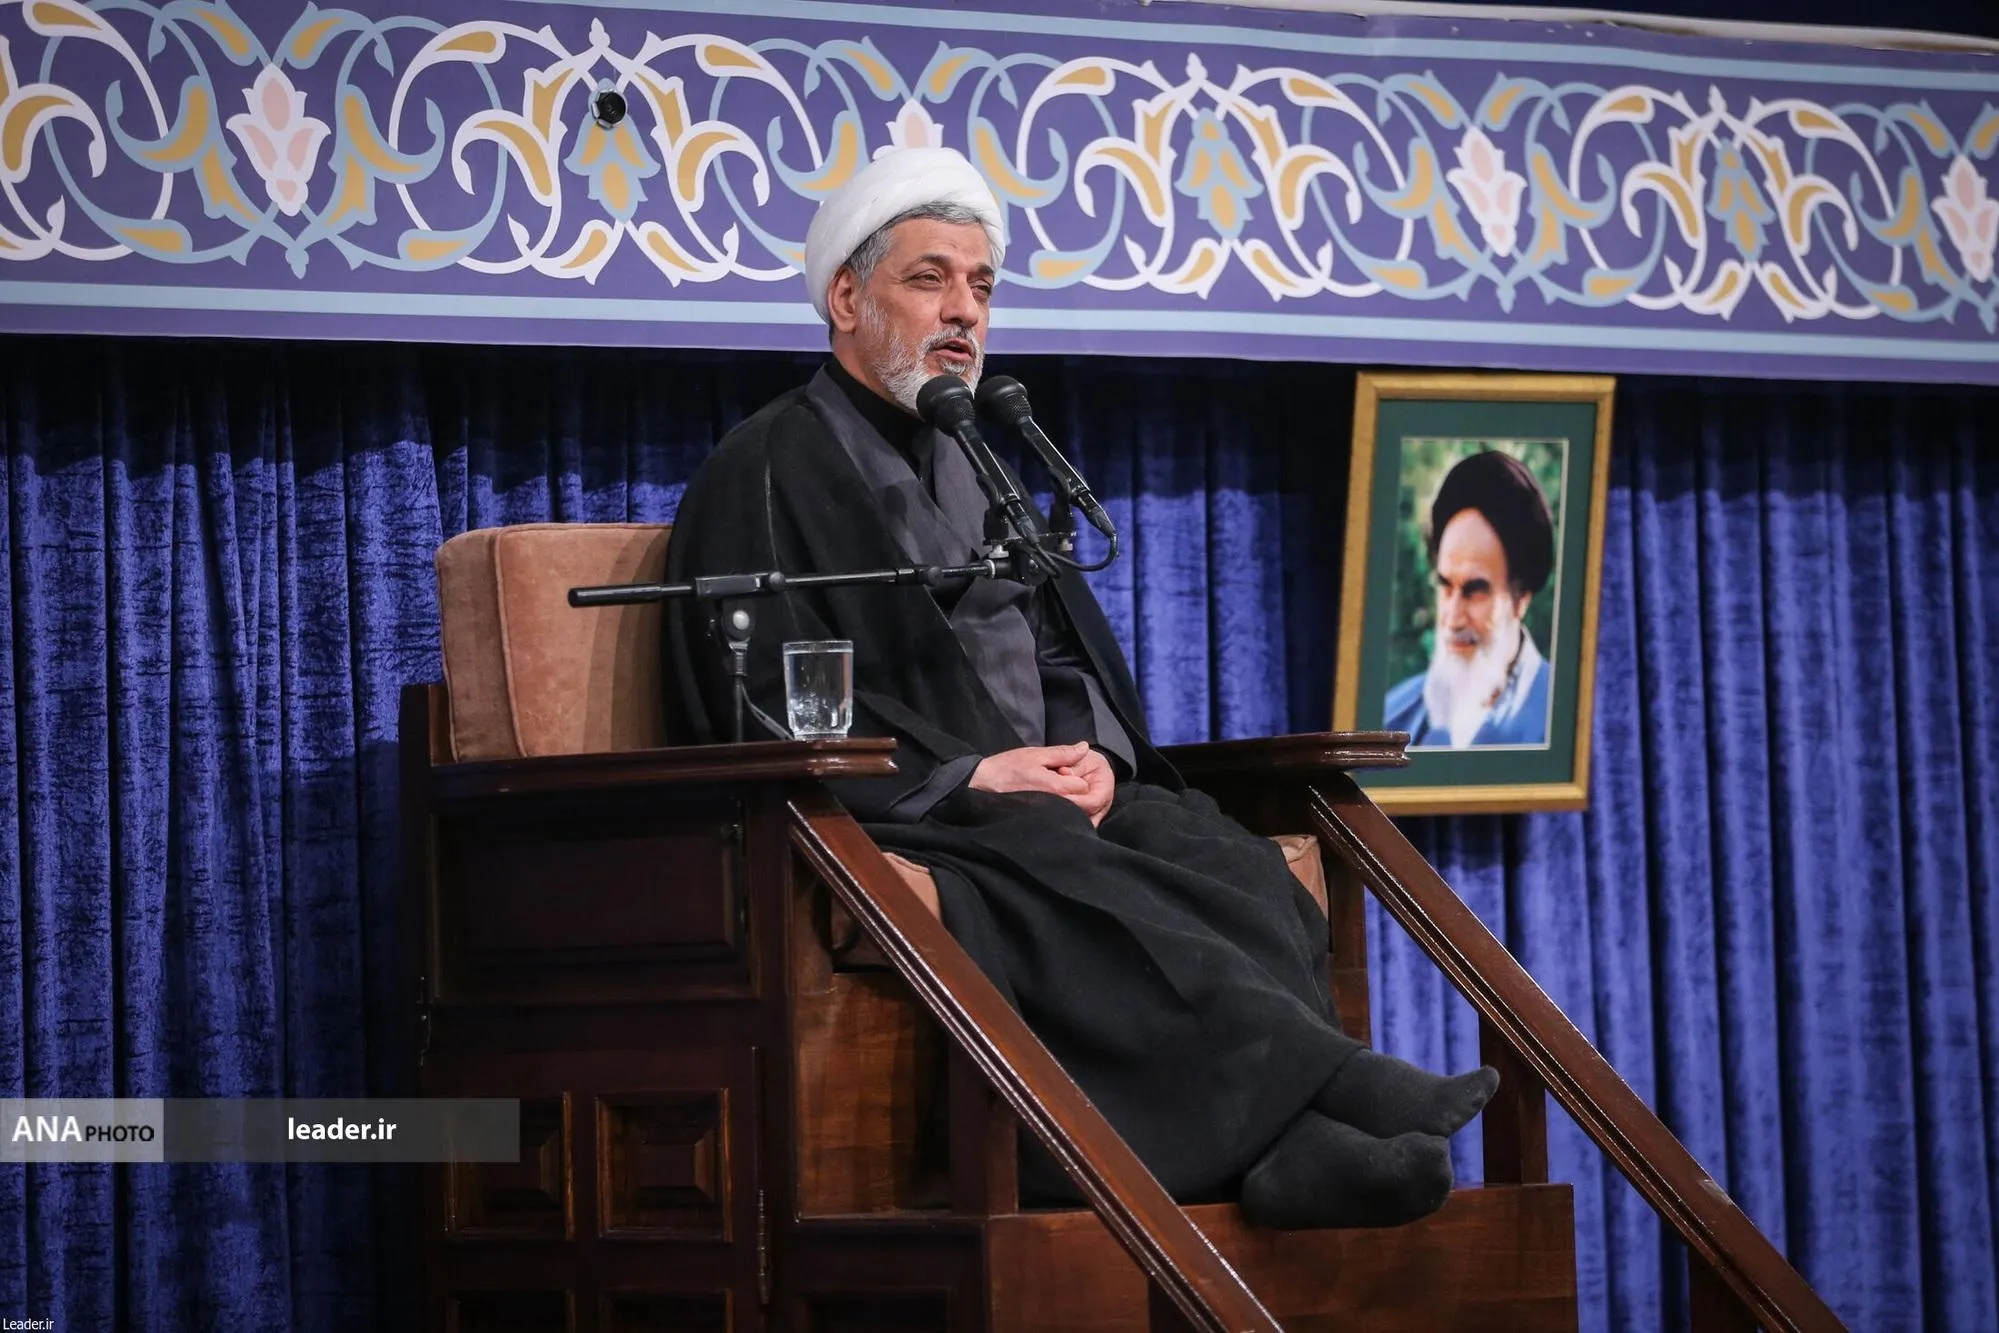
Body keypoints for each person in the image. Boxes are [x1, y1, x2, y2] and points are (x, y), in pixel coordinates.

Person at [663, 146, 1495, 1229]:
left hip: (1039, 786)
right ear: (846, 299)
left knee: (1218, 852)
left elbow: (1060, 649)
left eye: (981, 285)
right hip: (912, 805)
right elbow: (758, 696)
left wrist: (1088, 753)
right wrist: (971, 775)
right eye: (928, 279)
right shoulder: (765, 465)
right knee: (1056, 865)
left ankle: (1287, 1153)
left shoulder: (979, 458)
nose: (963, 311)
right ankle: (1329, 1091)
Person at [1383, 449, 1556, 748]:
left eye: (1474, 591)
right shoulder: (1392, 720)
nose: (1453, 618)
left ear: (1521, 598)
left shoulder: (1564, 718)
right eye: (1446, 586)